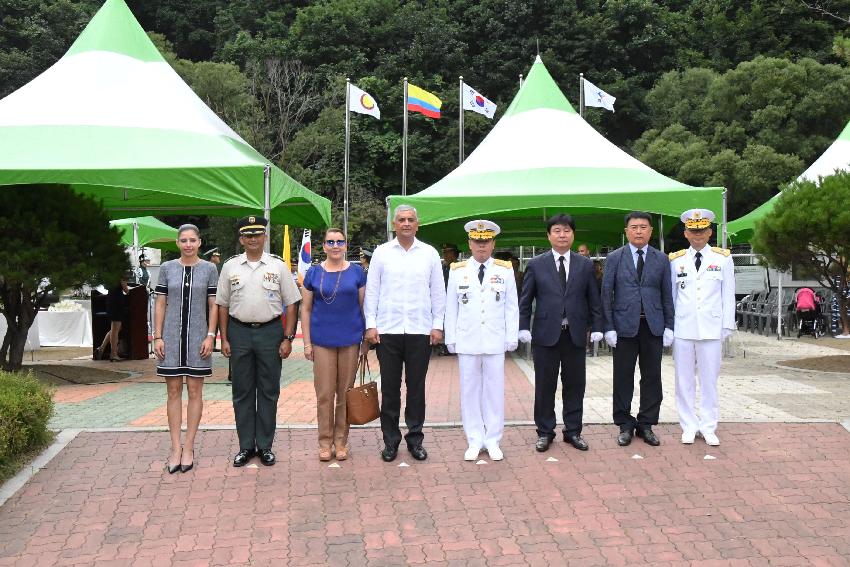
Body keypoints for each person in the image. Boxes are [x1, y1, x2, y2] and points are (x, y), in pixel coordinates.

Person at [216, 216, 300, 467]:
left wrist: (288, 337)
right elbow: (222, 304)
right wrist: (225, 337)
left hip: (270, 333)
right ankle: (245, 446)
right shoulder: (230, 267)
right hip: (239, 332)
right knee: (241, 392)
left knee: (268, 391)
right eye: (247, 235)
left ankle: (264, 446)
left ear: (265, 237)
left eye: (257, 234)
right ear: (241, 239)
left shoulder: (278, 266)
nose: (253, 239)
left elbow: (292, 303)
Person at [364, 205, 446, 463]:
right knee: (389, 389)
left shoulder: (430, 254)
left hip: (420, 331)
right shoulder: (381, 253)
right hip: (387, 331)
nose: (406, 223)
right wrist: (371, 324)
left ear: (417, 224)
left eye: (411, 219)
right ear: (394, 224)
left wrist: (437, 324)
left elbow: (438, 293)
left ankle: (415, 439)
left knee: (416, 389)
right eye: (401, 220)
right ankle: (390, 441)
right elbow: (372, 291)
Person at [518, 214, 603, 452]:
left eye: (566, 230)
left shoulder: (585, 264)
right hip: (545, 335)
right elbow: (526, 300)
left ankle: (573, 431)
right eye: (556, 231)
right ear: (549, 235)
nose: (562, 235)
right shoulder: (536, 264)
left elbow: (594, 299)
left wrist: (597, 327)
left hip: (575, 334)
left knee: (575, 385)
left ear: (573, 234)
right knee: (545, 386)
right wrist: (523, 326)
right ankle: (545, 431)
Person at [444, 220, 518, 461]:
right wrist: (451, 338)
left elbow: (511, 307)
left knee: (495, 392)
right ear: (469, 243)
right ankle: (474, 439)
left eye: (486, 241)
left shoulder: (504, 270)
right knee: (469, 391)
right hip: (467, 339)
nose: (481, 246)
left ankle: (493, 439)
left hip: (495, 339)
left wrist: (511, 336)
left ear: (493, 243)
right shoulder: (457, 271)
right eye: (477, 241)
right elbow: (451, 307)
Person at [601, 212, 674, 448]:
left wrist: (669, 326)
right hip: (624, 327)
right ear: (626, 231)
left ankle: (646, 423)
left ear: (651, 231)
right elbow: (606, 295)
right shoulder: (614, 258)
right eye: (634, 227)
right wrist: (608, 326)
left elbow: (667, 295)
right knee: (623, 376)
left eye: (643, 227)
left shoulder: (661, 259)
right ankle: (624, 424)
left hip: (652, 325)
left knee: (652, 377)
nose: (639, 231)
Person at [152, 224, 219, 474]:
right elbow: (160, 303)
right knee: (172, 391)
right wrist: (157, 336)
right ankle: (175, 447)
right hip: (169, 337)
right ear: (177, 243)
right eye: (184, 240)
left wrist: (211, 335)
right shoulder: (167, 268)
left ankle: (189, 446)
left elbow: (214, 305)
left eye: (192, 240)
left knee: (194, 390)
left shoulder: (210, 269)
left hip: (198, 337)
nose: (188, 244)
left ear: (199, 242)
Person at [669, 208, 735, 446]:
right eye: (692, 231)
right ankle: (688, 425)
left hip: (712, 328)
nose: (697, 235)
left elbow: (728, 294)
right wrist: (670, 328)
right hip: (684, 329)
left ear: (710, 232)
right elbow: (672, 297)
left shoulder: (723, 259)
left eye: (702, 230)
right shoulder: (675, 261)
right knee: (683, 381)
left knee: (709, 380)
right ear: (686, 233)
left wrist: (727, 324)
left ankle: (708, 426)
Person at [300, 228, 367, 461]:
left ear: (346, 246)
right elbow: (305, 309)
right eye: (331, 242)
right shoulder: (313, 273)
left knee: (345, 394)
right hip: (321, 341)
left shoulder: (357, 272)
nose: (335, 245)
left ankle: (341, 442)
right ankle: (324, 442)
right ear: (324, 246)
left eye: (340, 242)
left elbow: (363, 307)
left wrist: (366, 340)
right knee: (325, 394)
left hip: (350, 339)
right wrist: (307, 343)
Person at [95, 274, 130, 362]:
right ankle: (113, 354)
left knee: (116, 328)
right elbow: (126, 290)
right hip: (117, 302)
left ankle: (101, 348)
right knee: (115, 329)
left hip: (111, 299)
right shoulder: (121, 273)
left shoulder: (111, 272)